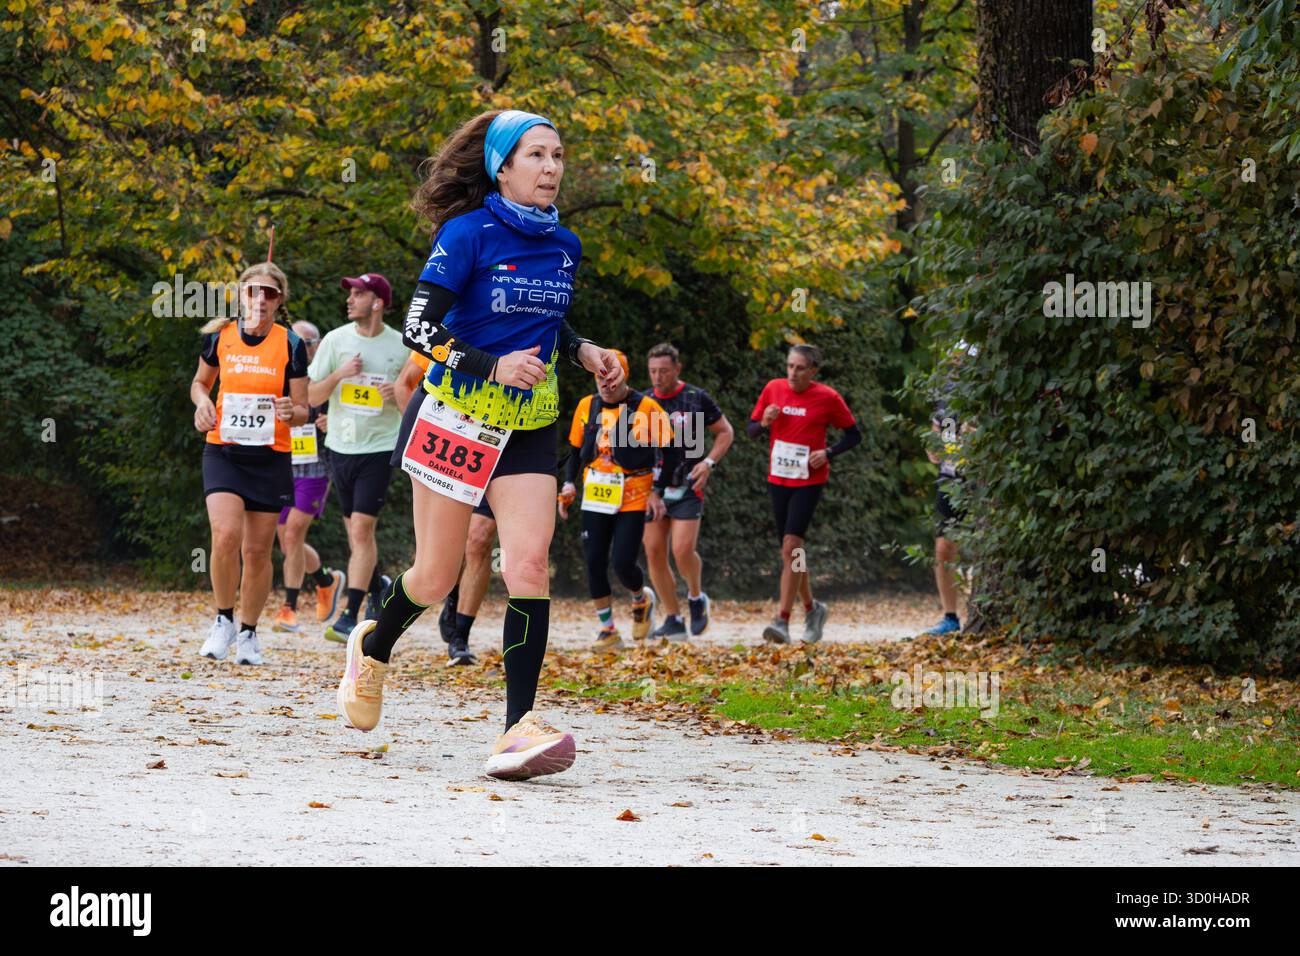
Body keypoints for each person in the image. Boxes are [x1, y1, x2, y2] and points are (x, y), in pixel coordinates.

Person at [334, 109, 624, 782]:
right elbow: (416, 325)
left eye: (557, 156)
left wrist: (584, 351)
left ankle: (515, 728)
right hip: (455, 416)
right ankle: (372, 644)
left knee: (528, 563)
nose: (551, 167)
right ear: (502, 166)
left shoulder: (566, 245)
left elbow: (549, 319)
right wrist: (490, 366)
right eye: (536, 155)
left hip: (528, 422)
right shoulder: (466, 234)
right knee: (436, 575)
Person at [192, 262, 309, 664]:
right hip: (223, 450)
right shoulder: (219, 337)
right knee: (225, 534)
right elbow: (199, 384)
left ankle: (248, 633)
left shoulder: (291, 345)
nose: (261, 299)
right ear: (241, 294)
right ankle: (223, 619)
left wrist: (289, 409)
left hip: (270, 455)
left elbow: (304, 410)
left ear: (280, 300)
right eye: (254, 291)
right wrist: (202, 404)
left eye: (270, 293)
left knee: (258, 551)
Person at [559, 349, 680, 652]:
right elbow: (575, 451)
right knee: (594, 561)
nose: (606, 384)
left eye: (612, 378)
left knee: (623, 562)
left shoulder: (647, 408)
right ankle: (607, 629)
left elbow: (673, 451)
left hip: (634, 495)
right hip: (596, 494)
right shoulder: (587, 406)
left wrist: (658, 490)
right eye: (600, 377)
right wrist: (569, 484)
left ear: (623, 376)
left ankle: (641, 599)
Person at [307, 272, 406, 642]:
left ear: (377, 303)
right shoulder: (336, 340)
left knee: (362, 529)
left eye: (358, 294)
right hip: (340, 448)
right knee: (355, 533)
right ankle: (379, 586)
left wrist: (395, 395)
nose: (350, 299)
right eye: (349, 293)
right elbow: (313, 397)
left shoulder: (401, 346)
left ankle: (349, 614)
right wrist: (340, 374)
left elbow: (418, 400)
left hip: (380, 449)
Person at [747, 344, 861, 644]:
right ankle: (813, 608)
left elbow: (854, 435)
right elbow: (751, 431)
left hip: (809, 481)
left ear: (813, 371)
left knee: (792, 546)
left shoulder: (827, 397)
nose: (793, 373)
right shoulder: (773, 388)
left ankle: (782, 621)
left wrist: (828, 452)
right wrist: (764, 423)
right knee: (791, 554)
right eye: (789, 366)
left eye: (800, 368)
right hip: (779, 478)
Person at [397, 352, 488, 666]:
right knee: (436, 567)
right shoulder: (455, 318)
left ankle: (460, 636)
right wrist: (424, 429)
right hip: (454, 441)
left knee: (478, 541)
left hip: (502, 440)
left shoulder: (533, 316)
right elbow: (405, 382)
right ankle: (443, 594)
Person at [641, 342, 733, 639]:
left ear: (677, 369)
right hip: (653, 490)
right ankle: (672, 617)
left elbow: (725, 432)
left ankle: (696, 598)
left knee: (681, 551)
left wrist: (708, 462)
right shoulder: (642, 402)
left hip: (687, 485)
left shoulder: (696, 398)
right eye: (653, 371)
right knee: (654, 552)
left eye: (664, 371)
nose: (658, 377)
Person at [271, 320, 346, 633]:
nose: (297, 349)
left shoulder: (325, 380)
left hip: (315, 467)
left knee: (292, 535)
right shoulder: (279, 375)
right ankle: (327, 581)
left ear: (315, 346)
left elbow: (352, 412)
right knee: (287, 543)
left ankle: (289, 609)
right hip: (284, 464)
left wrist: (334, 420)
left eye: (304, 343)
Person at [924, 343, 976, 635]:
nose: (957, 367)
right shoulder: (946, 396)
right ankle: (950, 617)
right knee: (944, 546)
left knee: (983, 547)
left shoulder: (990, 396)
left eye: (963, 361)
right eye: (954, 361)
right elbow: (935, 435)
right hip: (950, 479)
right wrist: (934, 449)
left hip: (981, 481)